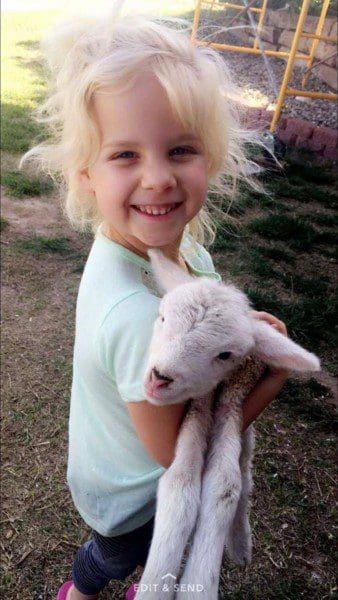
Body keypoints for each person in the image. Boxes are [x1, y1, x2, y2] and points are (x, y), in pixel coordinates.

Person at [20, 8, 288, 600]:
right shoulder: (136, 314)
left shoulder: (160, 244)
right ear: (85, 172)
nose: (159, 178)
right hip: (131, 494)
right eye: (125, 156)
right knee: (119, 556)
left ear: (211, 155)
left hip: (112, 461)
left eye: (180, 149)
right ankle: (82, 591)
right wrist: (267, 383)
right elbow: (174, 455)